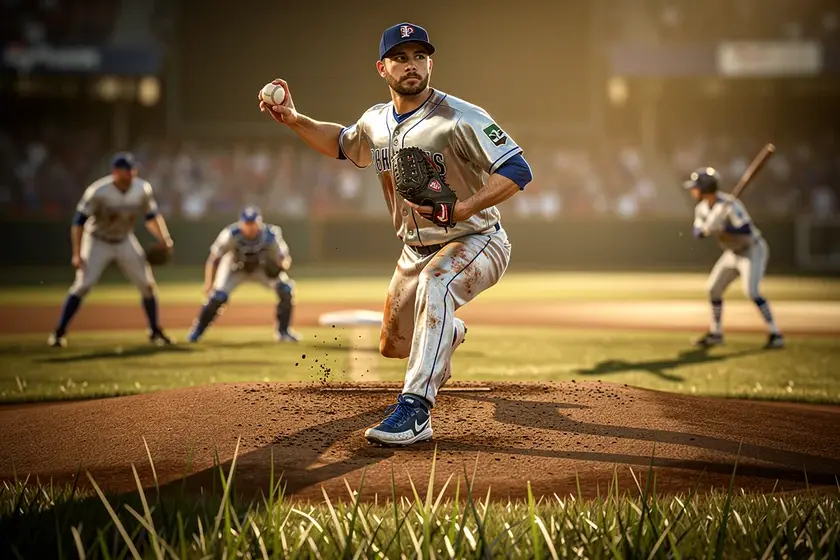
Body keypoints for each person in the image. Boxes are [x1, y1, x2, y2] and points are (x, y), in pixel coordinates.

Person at [259, 22, 532, 446]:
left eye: (419, 57)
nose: (412, 65)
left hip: (477, 239)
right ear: (382, 68)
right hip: (413, 249)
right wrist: (295, 121)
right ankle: (449, 332)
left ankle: (416, 410)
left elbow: (517, 170)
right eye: (401, 58)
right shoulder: (375, 121)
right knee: (393, 345)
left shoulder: (461, 117)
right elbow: (341, 144)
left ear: (430, 63)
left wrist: (462, 208)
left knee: (435, 283)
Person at [48, 152, 174, 347]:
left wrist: (164, 238)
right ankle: (59, 332)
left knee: (147, 285)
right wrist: (77, 253)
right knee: (83, 285)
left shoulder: (142, 189)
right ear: (115, 172)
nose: (130, 174)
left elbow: (151, 217)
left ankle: (155, 331)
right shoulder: (98, 191)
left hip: (124, 240)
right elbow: (78, 223)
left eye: (132, 169)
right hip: (98, 240)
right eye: (126, 170)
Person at [685, 167, 784, 349]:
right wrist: (705, 230)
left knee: (752, 292)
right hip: (732, 253)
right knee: (713, 289)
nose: (693, 190)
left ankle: (775, 333)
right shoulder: (701, 209)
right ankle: (716, 333)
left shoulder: (730, 204)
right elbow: (696, 231)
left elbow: (746, 229)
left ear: (706, 188)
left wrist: (724, 228)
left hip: (751, 250)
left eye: (696, 186)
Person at [187, 206, 300, 342]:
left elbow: (284, 257)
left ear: (260, 223)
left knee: (286, 289)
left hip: (260, 268)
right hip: (235, 267)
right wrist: (209, 283)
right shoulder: (230, 234)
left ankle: (283, 332)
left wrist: (280, 265)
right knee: (218, 296)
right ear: (241, 224)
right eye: (247, 224)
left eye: (253, 224)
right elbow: (214, 258)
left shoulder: (271, 234)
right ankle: (197, 331)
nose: (250, 228)